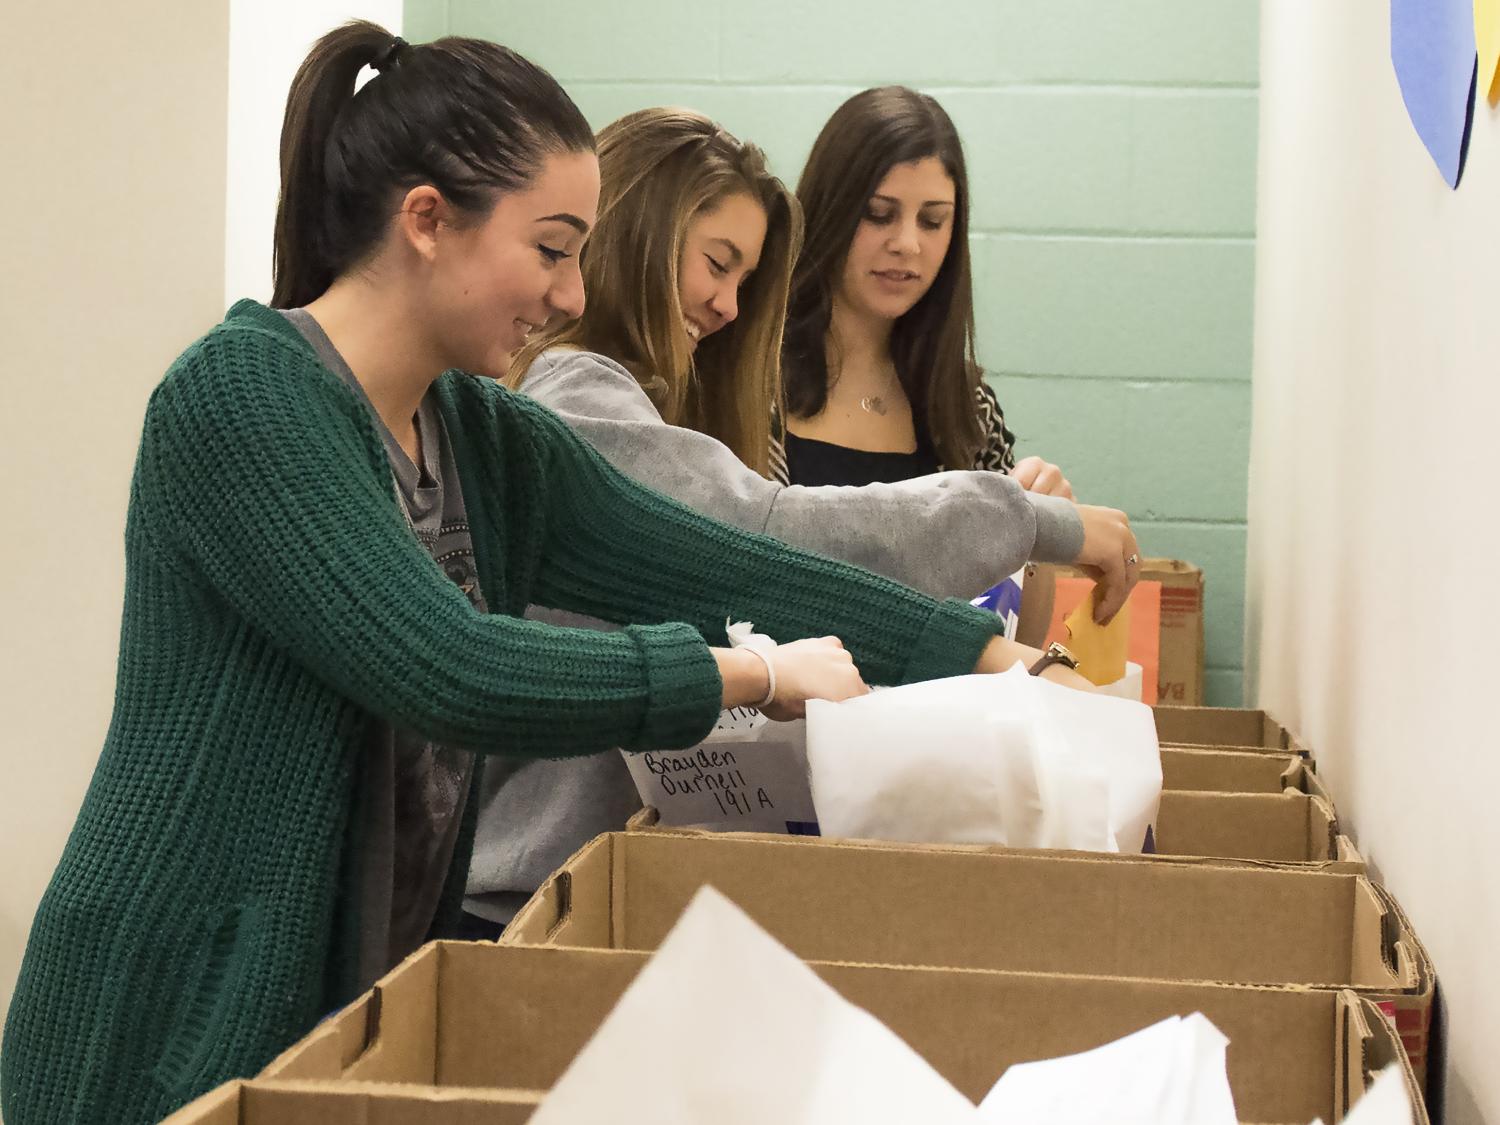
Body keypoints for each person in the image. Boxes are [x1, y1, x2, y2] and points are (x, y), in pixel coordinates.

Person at [0, 27, 1079, 1125]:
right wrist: (747, 672)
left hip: (340, 1003)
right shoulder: (242, 399)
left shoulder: (485, 437)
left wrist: (990, 658)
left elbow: (732, 561)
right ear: (427, 221)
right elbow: (448, 666)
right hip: (163, 1015)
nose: (571, 293)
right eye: (551, 247)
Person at [465, 108, 1138, 931]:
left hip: (613, 870)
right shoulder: (578, 394)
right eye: (717, 264)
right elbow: (771, 549)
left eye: (744, 280)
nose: (726, 306)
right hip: (542, 888)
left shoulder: (647, 397)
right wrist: (1027, 547)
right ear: (639, 231)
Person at [777, 85, 1077, 507]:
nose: (907, 244)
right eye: (878, 214)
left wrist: (1044, 524)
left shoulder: (967, 407)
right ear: (830, 210)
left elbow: (1008, 572)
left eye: (933, 221)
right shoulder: (749, 379)